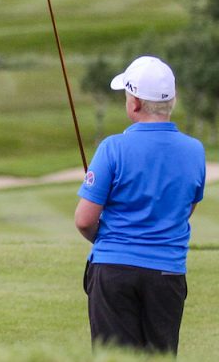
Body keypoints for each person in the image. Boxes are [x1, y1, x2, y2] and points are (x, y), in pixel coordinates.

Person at [75, 56, 205, 354]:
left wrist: (106, 237)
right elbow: (185, 210)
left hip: (114, 270)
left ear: (133, 103)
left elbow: (84, 219)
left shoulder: (112, 148)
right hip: (167, 274)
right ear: (172, 100)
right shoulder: (195, 151)